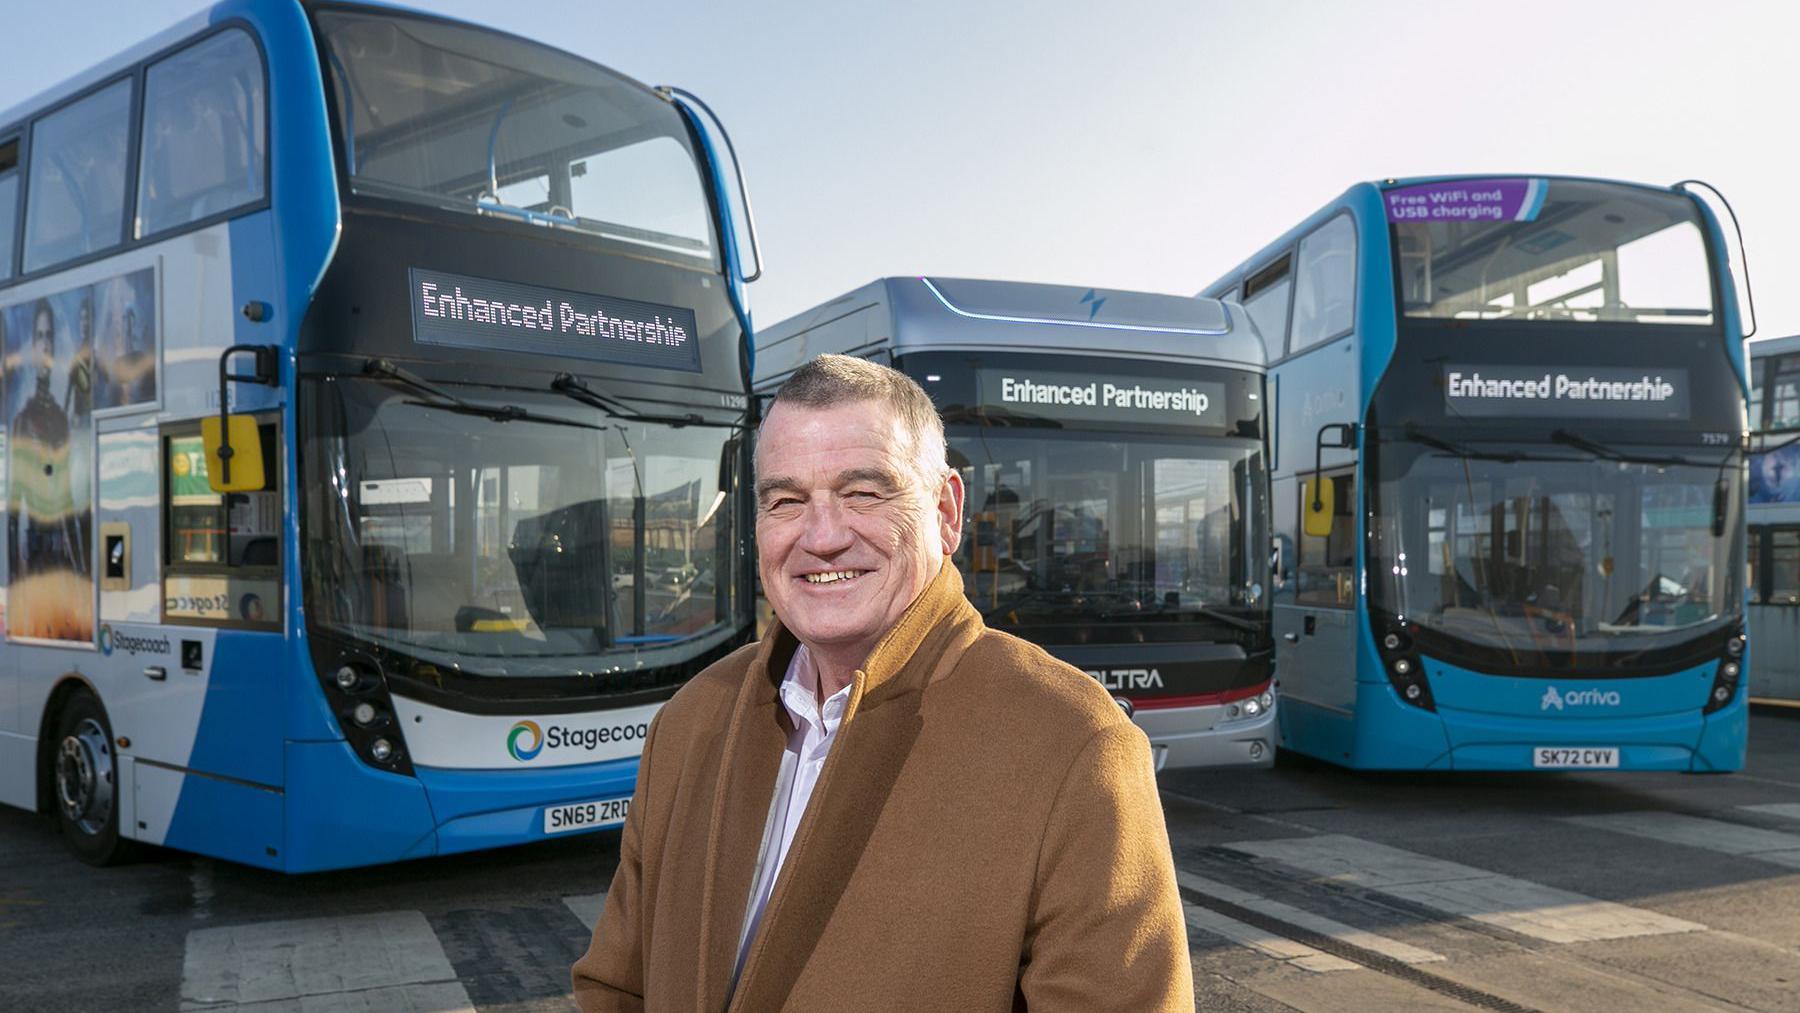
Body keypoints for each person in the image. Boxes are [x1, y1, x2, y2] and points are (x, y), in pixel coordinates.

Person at [572, 354, 1191, 1011]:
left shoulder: (1073, 742)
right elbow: (615, 985)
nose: (822, 536)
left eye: (864, 492)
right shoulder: (692, 719)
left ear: (947, 512)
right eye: (786, 500)